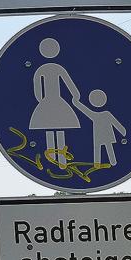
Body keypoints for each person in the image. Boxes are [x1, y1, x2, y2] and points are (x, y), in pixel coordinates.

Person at [29, 37, 82, 168]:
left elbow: (37, 91)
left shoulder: (41, 70)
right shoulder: (57, 68)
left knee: (50, 130)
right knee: (59, 130)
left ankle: (54, 160)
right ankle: (61, 162)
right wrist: (75, 95)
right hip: (56, 102)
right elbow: (70, 85)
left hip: (47, 102)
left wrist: (42, 101)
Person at [73, 89, 127, 168]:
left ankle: (108, 163)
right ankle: (105, 163)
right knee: (103, 147)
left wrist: (122, 131)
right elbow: (116, 123)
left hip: (102, 134)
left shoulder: (98, 115)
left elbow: (115, 123)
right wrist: (76, 103)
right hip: (101, 134)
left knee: (104, 147)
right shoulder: (102, 114)